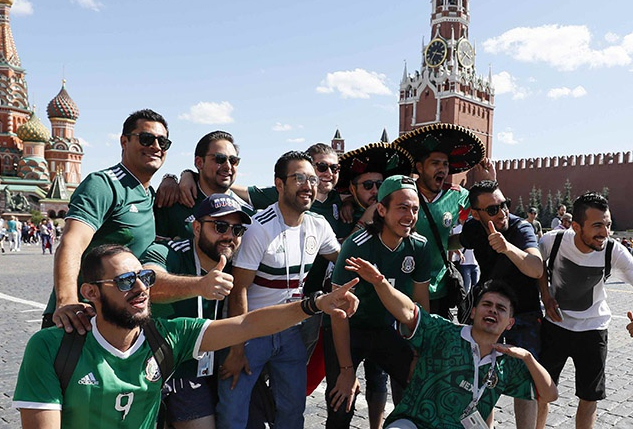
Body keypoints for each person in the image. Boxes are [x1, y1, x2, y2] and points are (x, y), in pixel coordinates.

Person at [13, 243, 359, 429]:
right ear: (89, 292)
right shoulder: (53, 347)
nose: (139, 288)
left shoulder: (166, 337)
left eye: (145, 277)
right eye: (123, 282)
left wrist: (315, 304)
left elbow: (247, 326)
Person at [346, 257, 558, 428]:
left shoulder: (507, 364)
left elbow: (550, 394)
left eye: (501, 308)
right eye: (487, 304)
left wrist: (528, 357)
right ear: (473, 312)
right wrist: (380, 283)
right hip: (413, 424)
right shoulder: (443, 331)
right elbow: (409, 312)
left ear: (510, 323)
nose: (493, 310)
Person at [218, 151, 342, 429]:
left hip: (290, 331)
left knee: (292, 410)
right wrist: (236, 349)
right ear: (279, 184)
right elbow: (239, 291)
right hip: (251, 330)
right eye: (299, 178)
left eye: (312, 178)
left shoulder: (318, 225)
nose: (308, 185)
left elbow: (344, 261)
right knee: (233, 410)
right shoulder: (258, 228)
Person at [537, 192, 633, 429]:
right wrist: (545, 294)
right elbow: (536, 263)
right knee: (542, 391)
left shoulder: (613, 251)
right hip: (555, 327)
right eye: (597, 226)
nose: (605, 232)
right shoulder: (554, 241)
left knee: (589, 398)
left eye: (608, 224)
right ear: (575, 226)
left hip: (593, 330)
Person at [42, 109, 170, 333]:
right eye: (146, 138)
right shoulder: (103, 184)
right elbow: (72, 242)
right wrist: (67, 300)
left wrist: (177, 177)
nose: (156, 146)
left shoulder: (150, 195)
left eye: (163, 142)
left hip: (121, 321)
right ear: (124, 141)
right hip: (82, 318)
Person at [325, 175, 431, 429]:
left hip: (387, 329)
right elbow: (337, 312)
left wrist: (419, 350)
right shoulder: (357, 246)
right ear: (381, 210)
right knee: (342, 402)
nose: (410, 215)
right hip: (350, 330)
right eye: (402, 207)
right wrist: (346, 369)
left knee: (419, 387)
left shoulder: (418, 247)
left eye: (415, 209)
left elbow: (420, 302)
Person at [141, 194, 251, 429]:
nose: (229, 236)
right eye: (220, 226)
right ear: (197, 227)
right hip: (148, 367)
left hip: (195, 372)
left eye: (237, 230)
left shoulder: (237, 263)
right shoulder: (170, 250)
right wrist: (199, 286)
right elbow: (146, 283)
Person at [460, 180, 544, 429]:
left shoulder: (521, 229)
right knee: (482, 376)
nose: (503, 213)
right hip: (491, 313)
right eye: (493, 210)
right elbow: (456, 240)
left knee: (526, 382)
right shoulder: (474, 229)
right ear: (476, 214)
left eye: (504, 205)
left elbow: (537, 268)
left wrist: (507, 248)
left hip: (523, 315)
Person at [393, 123, 485, 318]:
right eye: (435, 163)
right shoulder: (403, 194)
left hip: (441, 290)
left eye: (445, 164)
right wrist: (349, 203)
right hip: (404, 287)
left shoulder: (457, 196)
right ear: (419, 167)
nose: (443, 169)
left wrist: (489, 182)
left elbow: (487, 208)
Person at [154, 131, 254, 240]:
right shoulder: (171, 202)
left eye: (233, 160)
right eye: (220, 159)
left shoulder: (248, 215)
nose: (228, 166)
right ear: (199, 162)